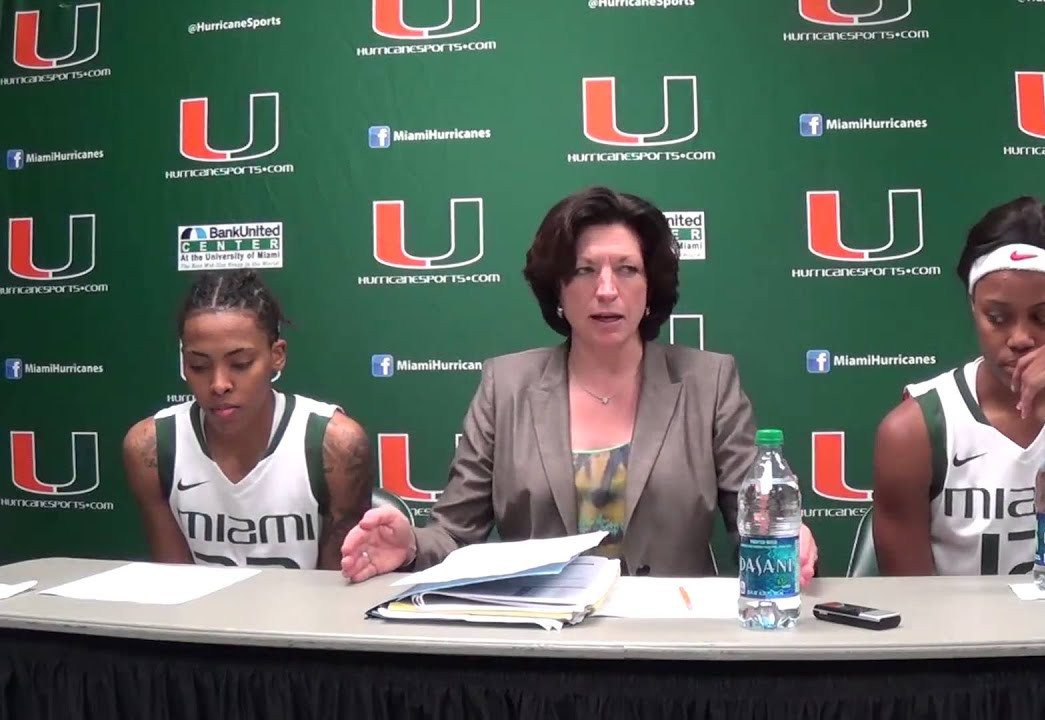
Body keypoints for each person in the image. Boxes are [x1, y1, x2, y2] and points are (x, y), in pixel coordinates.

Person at [341, 186, 818, 583]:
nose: (606, 289)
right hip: (542, 645)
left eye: (626, 270)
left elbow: (756, 517)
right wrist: (408, 547)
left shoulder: (708, 383)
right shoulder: (506, 387)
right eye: (585, 270)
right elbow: (454, 534)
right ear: (558, 290)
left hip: (675, 644)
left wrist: (788, 536)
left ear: (651, 287)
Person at [871, 197, 1045, 577]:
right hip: (959, 635)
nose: (1021, 338)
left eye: (1044, 317)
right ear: (973, 306)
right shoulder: (914, 430)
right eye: (997, 317)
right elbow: (913, 605)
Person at [123, 270, 372, 570]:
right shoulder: (149, 447)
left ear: (277, 355)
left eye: (240, 364)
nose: (219, 384)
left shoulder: (335, 444)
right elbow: (176, 584)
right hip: (198, 617)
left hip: (306, 616)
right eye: (198, 365)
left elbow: (337, 591)